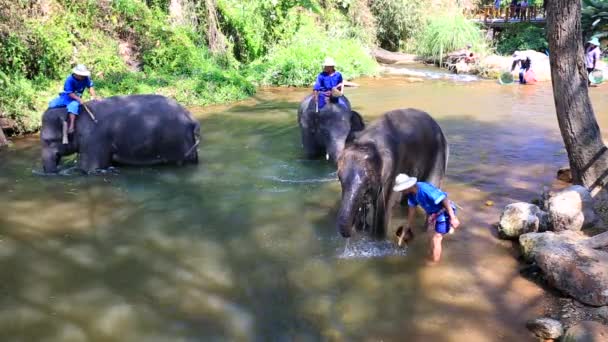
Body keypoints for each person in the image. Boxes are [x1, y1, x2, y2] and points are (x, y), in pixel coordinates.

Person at [393, 174, 460, 264]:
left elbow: (444, 199)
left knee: (436, 238)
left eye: (401, 189)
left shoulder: (425, 190)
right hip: (433, 213)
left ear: (407, 187)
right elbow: (411, 211)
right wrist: (407, 227)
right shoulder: (411, 195)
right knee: (429, 234)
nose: (400, 191)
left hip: (444, 211)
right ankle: (432, 253)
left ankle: (434, 262)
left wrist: (453, 217)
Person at [48, 64, 98, 133]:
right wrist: (79, 99)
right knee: (52, 104)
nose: (83, 76)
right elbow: (69, 93)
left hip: (75, 100)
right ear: (76, 74)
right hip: (67, 97)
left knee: (73, 107)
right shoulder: (69, 80)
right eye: (81, 75)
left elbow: (90, 87)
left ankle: (71, 126)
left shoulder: (86, 78)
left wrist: (94, 96)